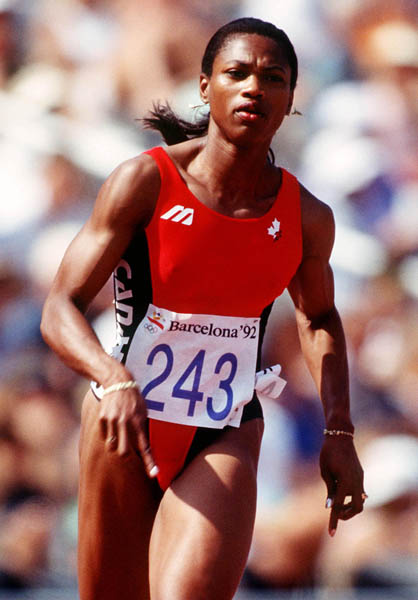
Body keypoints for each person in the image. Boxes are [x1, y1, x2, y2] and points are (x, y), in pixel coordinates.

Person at [41, 17, 366, 600]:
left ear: (291, 99)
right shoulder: (144, 181)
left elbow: (319, 318)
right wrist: (112, 379)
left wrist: (338, 429)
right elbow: (59, 308)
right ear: (204, 85)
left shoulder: (306, 216)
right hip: (126, 418)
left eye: (273, 78)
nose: (253, 89)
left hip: (225, 424)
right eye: (236, 73)